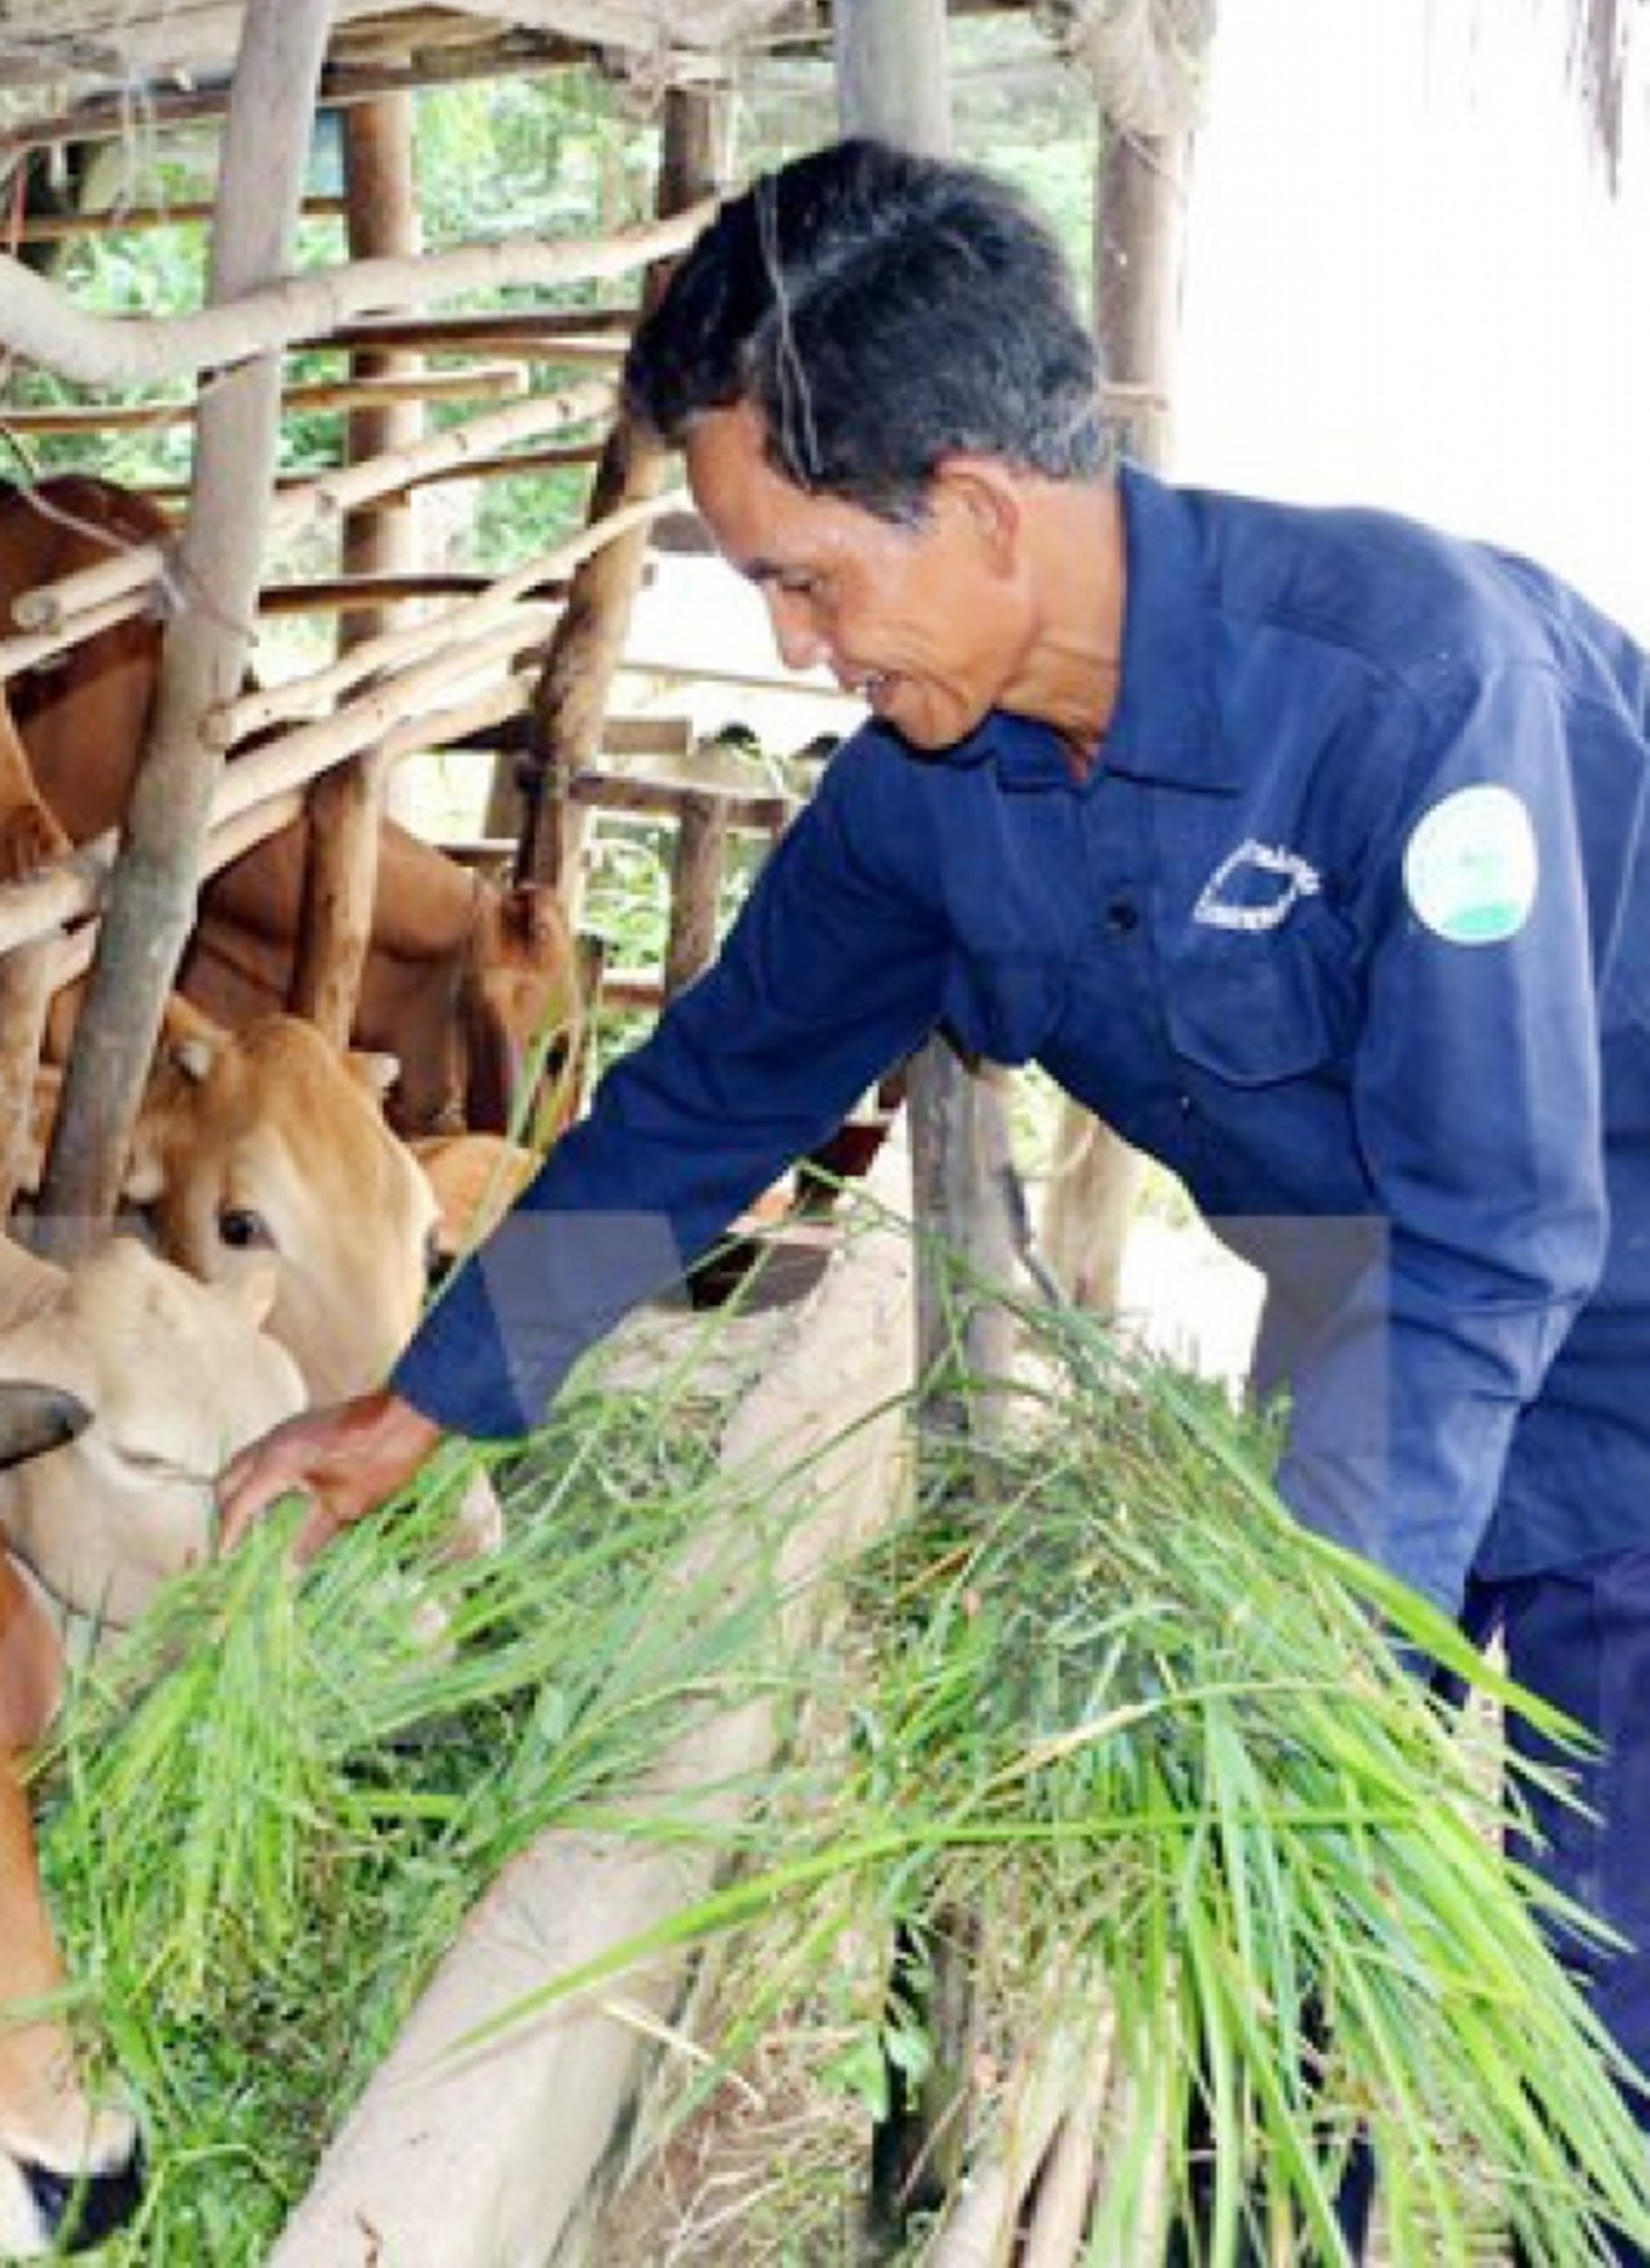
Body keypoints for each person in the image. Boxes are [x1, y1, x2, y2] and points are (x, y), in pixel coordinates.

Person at [217, 137, 1650, 2238]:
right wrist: (414, 1410)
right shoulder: (929, 789)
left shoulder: (1418, 694)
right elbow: (711, 1092)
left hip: (1621, 1351)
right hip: (1357, 1313)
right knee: (1254, 1967)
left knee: (1592, 2024)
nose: (798, 649)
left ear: (978, 505)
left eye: (805, 577)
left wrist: (1307, 1653)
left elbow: (1502, 1230)